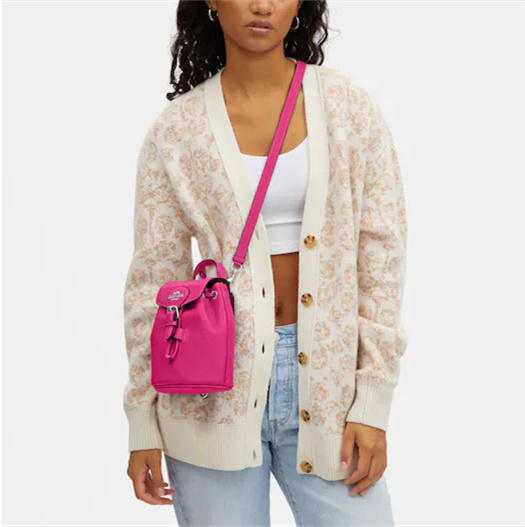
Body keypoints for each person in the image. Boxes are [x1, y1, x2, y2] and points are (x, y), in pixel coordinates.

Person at [123, 0, 408, 525]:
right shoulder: (177, 130)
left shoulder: (348, 108)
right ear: (211, 3)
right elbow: (152, 282)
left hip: (329, 387)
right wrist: (142, 419)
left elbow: (382, 258)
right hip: (210, 393)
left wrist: (373, 400)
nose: (262, 5)